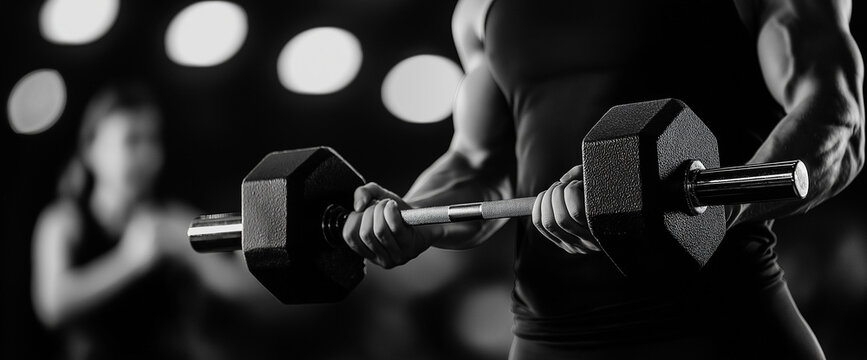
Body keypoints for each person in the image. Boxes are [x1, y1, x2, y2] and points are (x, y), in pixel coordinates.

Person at [342, 0, 864, 359]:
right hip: (550, 338)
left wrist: (712, 208)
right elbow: (478, 163)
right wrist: (415, 217)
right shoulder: (481, 8)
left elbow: (836, 124)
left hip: (722, 327)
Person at [30, 82, 260, 360]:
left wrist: (201, 253)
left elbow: (239, 289)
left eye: (153, 140)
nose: (148, 156)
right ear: (92, 150)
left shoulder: (170, 218)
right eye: (132, 140)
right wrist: (130, 261)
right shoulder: (64, 221)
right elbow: (53, 306)